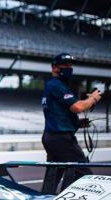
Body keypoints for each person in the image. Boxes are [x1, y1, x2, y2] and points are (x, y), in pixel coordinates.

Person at [41, 53, 102, 190]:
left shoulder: (51, 86)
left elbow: (58, 114)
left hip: (51, 136)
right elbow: (78, 107)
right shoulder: (57, 85)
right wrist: (93, 98)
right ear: (55, 68)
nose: (69, 68)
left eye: (71, 65)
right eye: (66, 65)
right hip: (61, 139)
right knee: (83, 173)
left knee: (54, 174)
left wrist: (78, 123)